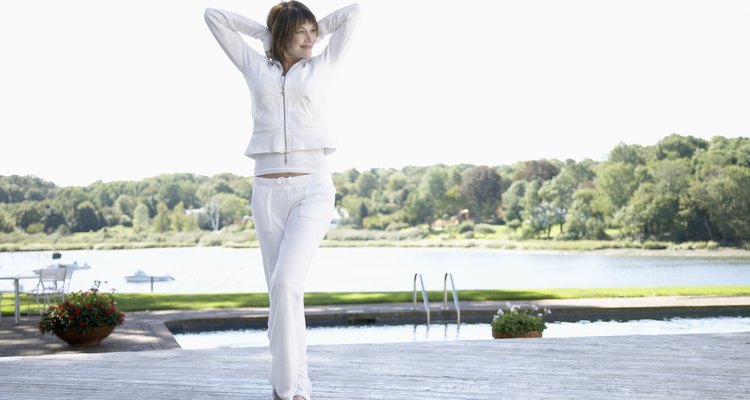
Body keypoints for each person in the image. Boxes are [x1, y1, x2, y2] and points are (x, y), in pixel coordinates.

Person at [204, 2, 359, 399]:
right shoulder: (255, 66)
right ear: (282, 34)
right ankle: (294, 382)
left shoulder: (323, 65)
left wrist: (313, 26)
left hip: (313, 188)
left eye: (313, 31)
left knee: (287, 283)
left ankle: (288, 389)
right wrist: (268, 35)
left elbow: (354, 12)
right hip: (266, 191)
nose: (310, 39)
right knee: (282, 295)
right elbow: (213, 16)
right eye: (301, 32)